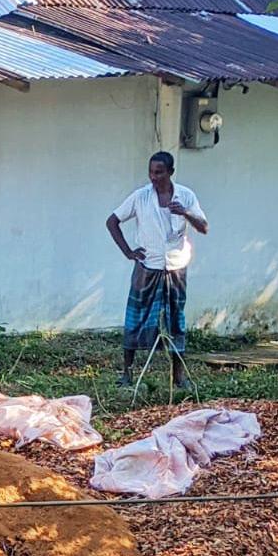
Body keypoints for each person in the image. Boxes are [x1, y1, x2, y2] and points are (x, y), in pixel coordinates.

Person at [105, 151, 209, 390]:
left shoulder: (186, 196)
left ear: (170, 172)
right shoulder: (141, 197)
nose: (154, 177)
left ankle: (178, 377)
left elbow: (204, 227)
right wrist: (128, 252)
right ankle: (127, 373)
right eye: (151, 172)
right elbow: (112, 221)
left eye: (159, 172)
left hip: (176, 267)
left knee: (175, 320)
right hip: (147, 266)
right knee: (135, 319)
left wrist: (185, 212)